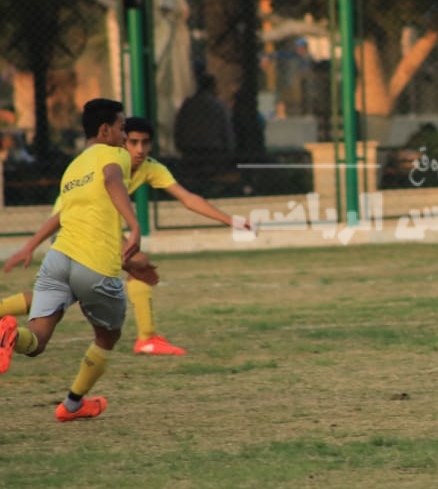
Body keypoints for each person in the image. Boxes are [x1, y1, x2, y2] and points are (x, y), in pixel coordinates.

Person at [1, 117, 255, 355]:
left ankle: (147, 338)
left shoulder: (149, 167)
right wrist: (31, 245)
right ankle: (146, 338)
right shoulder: (108, 163)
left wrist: (230, 220)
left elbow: (188, 198)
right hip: (75, 233)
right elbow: (60, 216)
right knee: (132, 266)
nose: (140, 149)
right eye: (133, 142)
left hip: (97, 234)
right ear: (121, 142)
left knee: (58, 300)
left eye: (145, 142)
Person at [0, 99, 140, 422]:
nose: (125, 136)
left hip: (58, 258)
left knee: (35, 341)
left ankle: (8, 334)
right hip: (94, 265)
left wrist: (31, 245)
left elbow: (64, 214)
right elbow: (112, 180)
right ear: (105, 130)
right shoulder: (115, 154)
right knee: (107, 336)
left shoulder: (73, 168)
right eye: (121, 128)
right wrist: (134, 225)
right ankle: (72, 404)